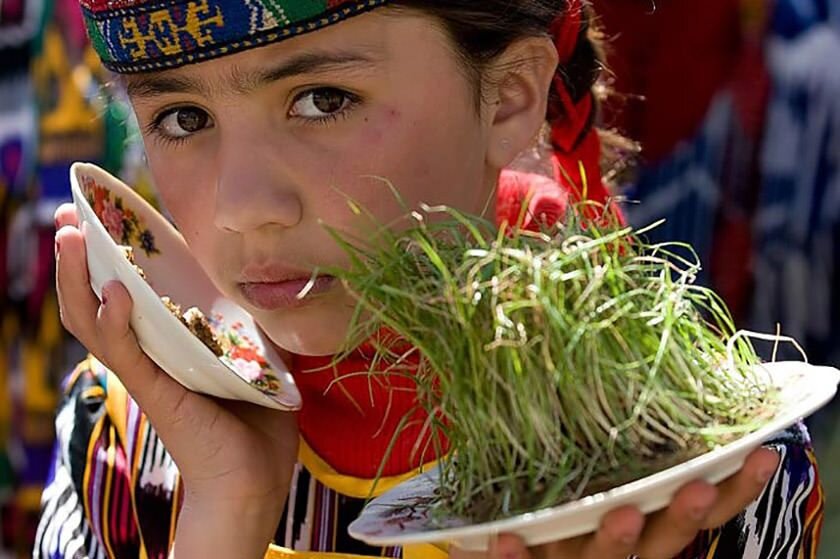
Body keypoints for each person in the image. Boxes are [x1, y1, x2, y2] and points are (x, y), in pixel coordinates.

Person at [36, 1, 823, 558]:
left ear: (509, 97)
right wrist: (224, 512)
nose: (243, 208)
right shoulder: (128, 439)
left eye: (322, 99)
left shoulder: (692, 457)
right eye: (183, 118)